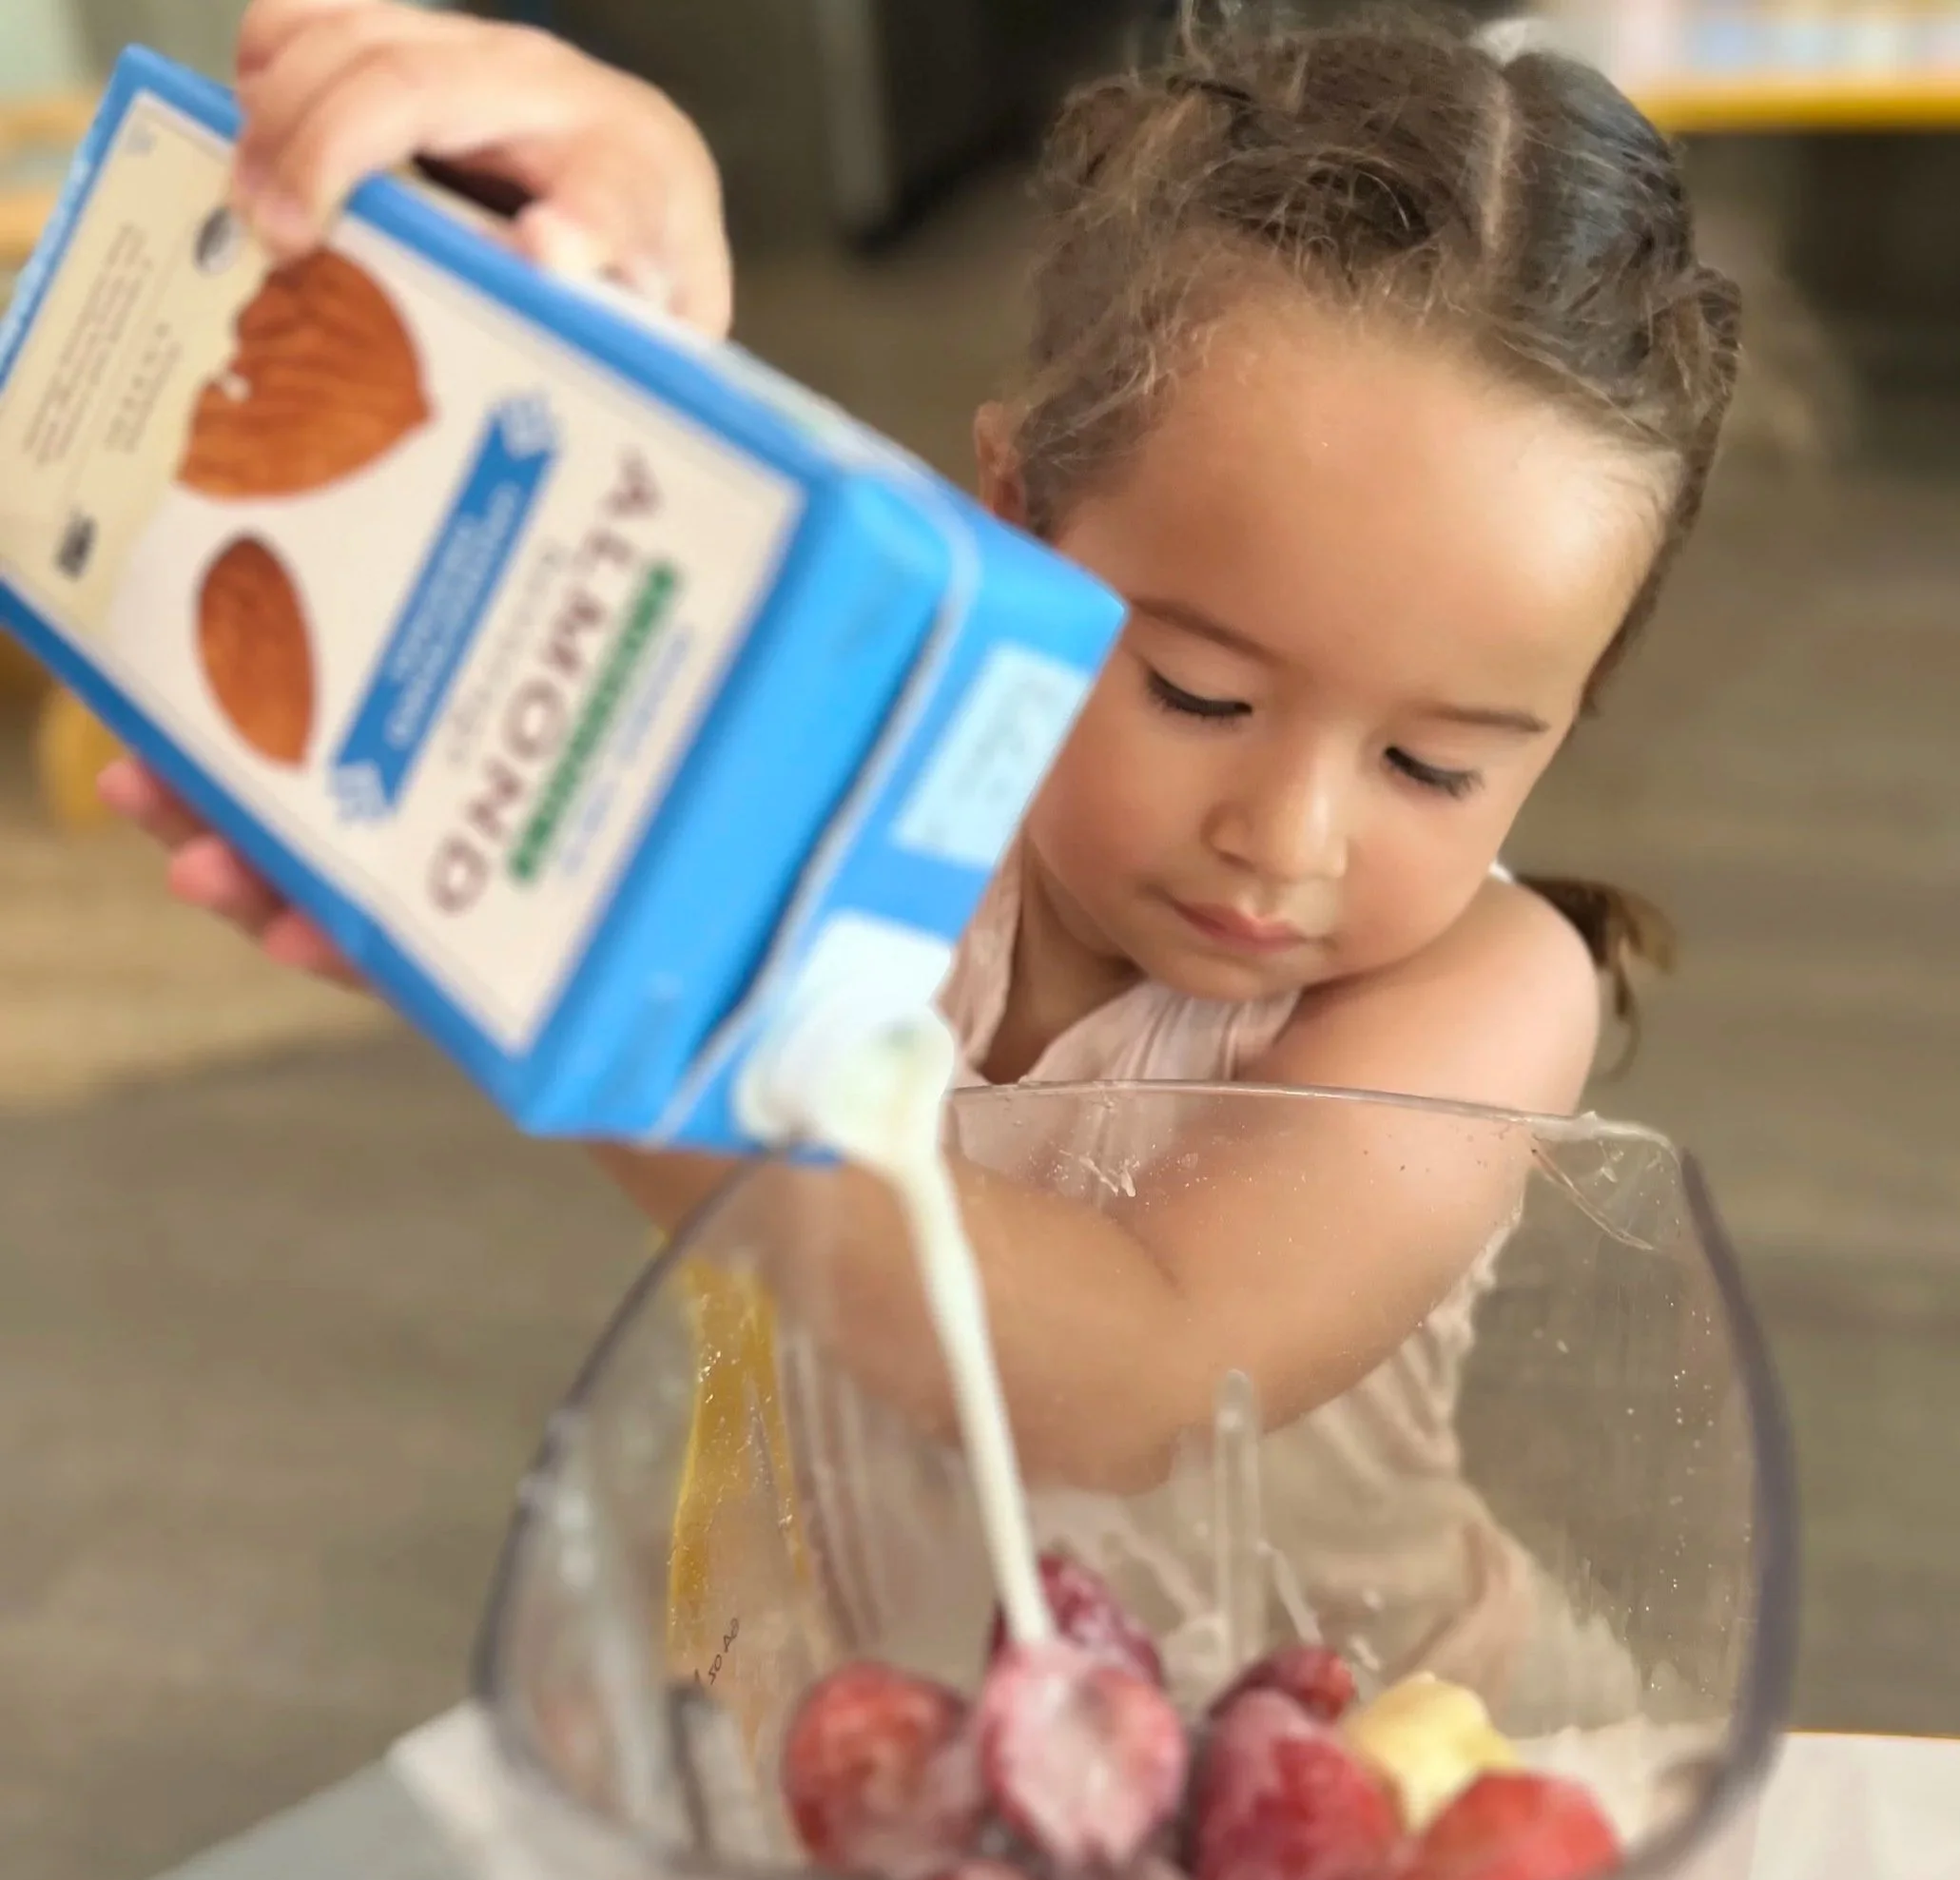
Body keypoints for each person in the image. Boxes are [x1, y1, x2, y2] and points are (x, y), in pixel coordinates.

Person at [107, 0, 1737, 1712]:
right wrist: (618, 216)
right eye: (1197, 691)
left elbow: (1149, 1379)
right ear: (1009, 517)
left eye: (1431, 764)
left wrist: (614, 1043)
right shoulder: (895, 769)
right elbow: (676, 528)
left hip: (1355, 1780)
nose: (1288, 834)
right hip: (867, 1736)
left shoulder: (1483, 998)